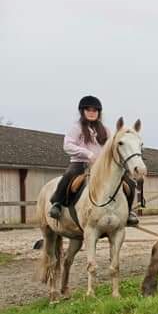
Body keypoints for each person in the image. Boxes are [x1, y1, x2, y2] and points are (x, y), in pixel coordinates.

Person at [48, 95, 139, 226]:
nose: (91, 113)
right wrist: (88, 154)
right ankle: (57, 203)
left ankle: (128, 212)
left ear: (98, 113)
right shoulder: (77, 127)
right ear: (82, 111)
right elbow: (67, 145)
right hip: (80, 163)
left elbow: (112, 147)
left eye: (94, 110)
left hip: (102, 166)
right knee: (69, 175)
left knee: (129, 182)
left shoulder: (105, 130)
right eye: (88, 110)